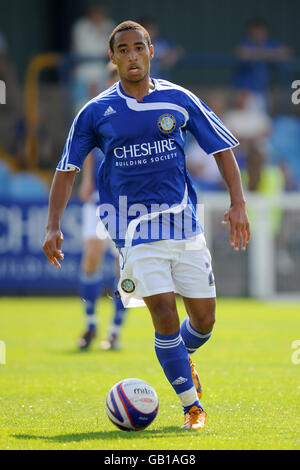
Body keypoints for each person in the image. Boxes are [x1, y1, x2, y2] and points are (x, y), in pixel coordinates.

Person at [43, 21, 250, 430]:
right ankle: (192, 407)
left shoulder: (179, 99)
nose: (132, 56)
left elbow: (222, 149)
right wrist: (53, 226)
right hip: (133, 230)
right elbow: (65, 170)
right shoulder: (95, 112)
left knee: (204, 321)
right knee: (163, 313)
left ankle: (177, 357)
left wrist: (238, 203)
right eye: (123, 50)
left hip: (185, 225)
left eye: (139, 48)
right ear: (113, 57)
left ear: (151, 51)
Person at [77, 63, 127, 351]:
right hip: (98, 199)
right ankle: (90, 324)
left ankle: (115, 332)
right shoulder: (96, 110)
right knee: (92, 256)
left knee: (124, 269)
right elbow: (87, 147)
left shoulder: (136, 110)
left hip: (125, 203)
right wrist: (86, 180)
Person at [233, 18, 293, 111]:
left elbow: (287, 53)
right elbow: (241, 53)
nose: (259, 34)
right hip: (246, 91)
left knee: (265, 119)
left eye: (261, 31)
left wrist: (258, 54)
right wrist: (270, 54)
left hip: (265, 90)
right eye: (256, 31)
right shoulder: (246, 43)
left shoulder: (270, 43)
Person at [71, 4, 115, 111]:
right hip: (83, 73)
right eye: (96, 14)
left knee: (102, 107)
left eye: (100, 14)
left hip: (102, 73)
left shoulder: (109, 25)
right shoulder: (81, 27)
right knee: (80, 107)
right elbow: (82, 48)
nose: (98, 17)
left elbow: (109, 48)